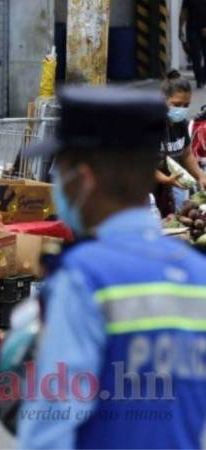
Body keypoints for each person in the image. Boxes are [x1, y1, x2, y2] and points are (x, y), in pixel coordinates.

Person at [16, 87, 206, 448]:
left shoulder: (84, 277)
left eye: (62, 170)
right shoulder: (198, 276)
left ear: (83, 179)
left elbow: (51, 425)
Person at [154, 70, 206, 216]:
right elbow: (140, 162)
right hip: (146, 192)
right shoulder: (151, 124)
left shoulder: (180, 123)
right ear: (163, 99)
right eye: (176, 104)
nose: (181, 109)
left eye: (186, 105)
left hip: (168, 191)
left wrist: (200, 175)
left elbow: (187, 154)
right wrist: (164, 179)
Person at [180, 0, 206, 88]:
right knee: (196, 56)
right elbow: (184, 12)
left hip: (204, 29)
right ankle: (199, 80)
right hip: (192, 29)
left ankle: (203, 77)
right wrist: (180, 29)